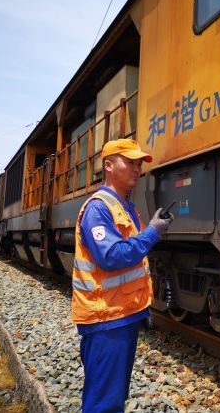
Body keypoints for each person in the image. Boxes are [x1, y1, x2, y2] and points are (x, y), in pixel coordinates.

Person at [71, 138, 173, 412]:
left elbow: (132, 259)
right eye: (129, 162)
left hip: (122, 314)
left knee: (114, 398)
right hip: (106, 319)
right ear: (108, 165)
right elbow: (112, 256)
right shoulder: (98, 208)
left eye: (139, 164)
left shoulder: (125, 207)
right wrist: (152, 232)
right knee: (104, 403)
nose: (137, 169)